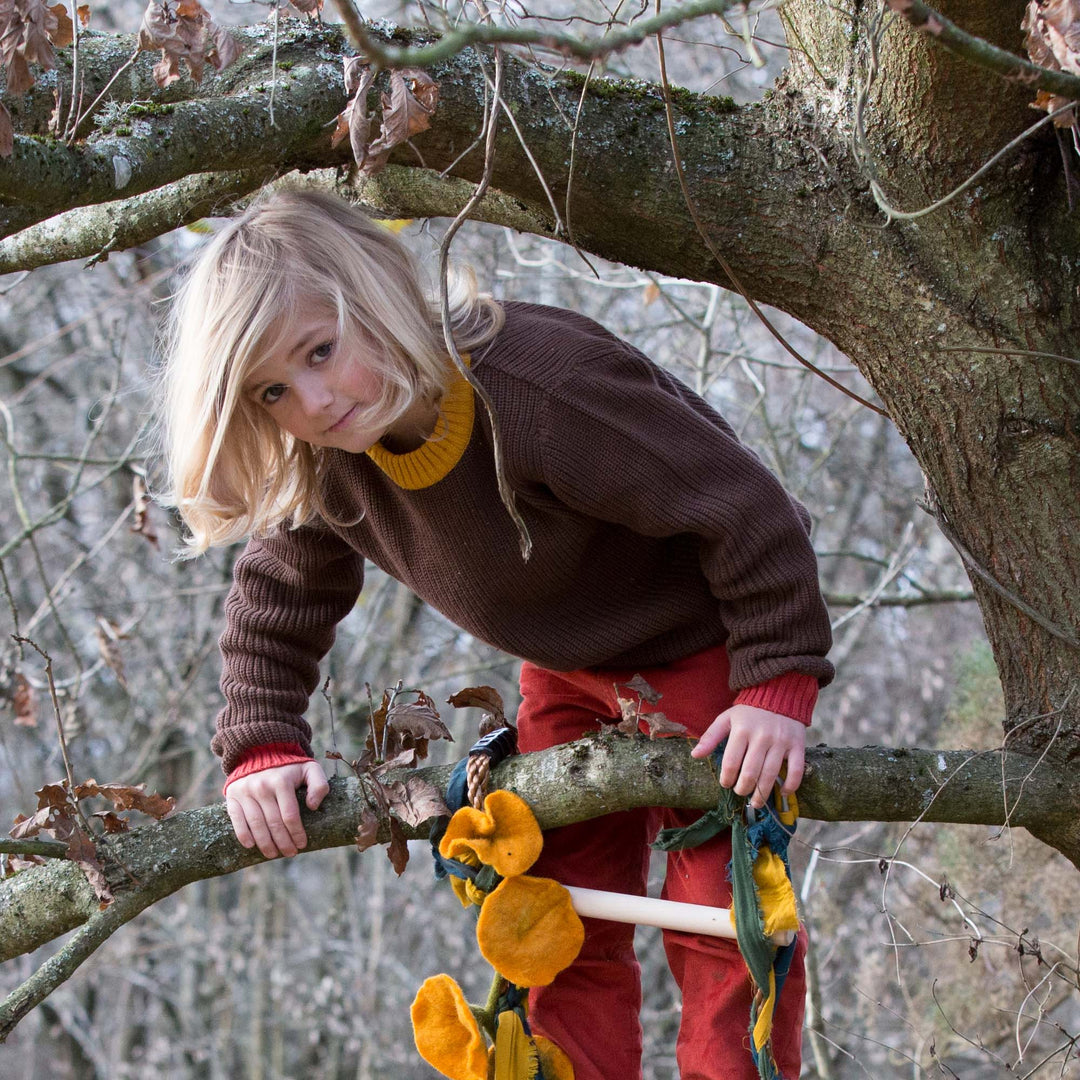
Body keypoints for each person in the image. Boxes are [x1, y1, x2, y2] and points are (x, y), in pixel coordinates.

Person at [160, 187, 833, 1080]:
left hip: (704, 654)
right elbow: (274, 607)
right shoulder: (330, 466)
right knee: (552, 917)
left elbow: (750, 511)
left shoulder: (539, 388)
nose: (314, 401)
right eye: (275, 389)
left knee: (723, 914)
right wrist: (263, 749)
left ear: (379, 296)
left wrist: (776, 684)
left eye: (322, 352)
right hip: (568, 675)